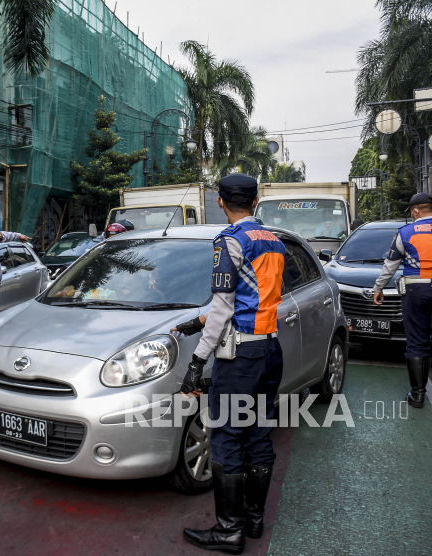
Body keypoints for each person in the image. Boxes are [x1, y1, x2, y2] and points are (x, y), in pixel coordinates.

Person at [171, 173, 286, 554]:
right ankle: (253, 520)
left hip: (239, 360)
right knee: (257, 434)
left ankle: (228, 531)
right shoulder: (274, 240)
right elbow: (253, 298)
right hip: (269, 351)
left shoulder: (229, 241)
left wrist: (197, 360)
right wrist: (199, 321)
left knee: (224, 438)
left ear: (220, 201)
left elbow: (223, 306)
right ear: (256, 200)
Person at [373, 192, 432, 412]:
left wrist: (378, 288)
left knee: (416, 342)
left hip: (415, 292)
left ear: (415, 211)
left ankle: (417, 396)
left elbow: (390, 266)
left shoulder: (405, 232)